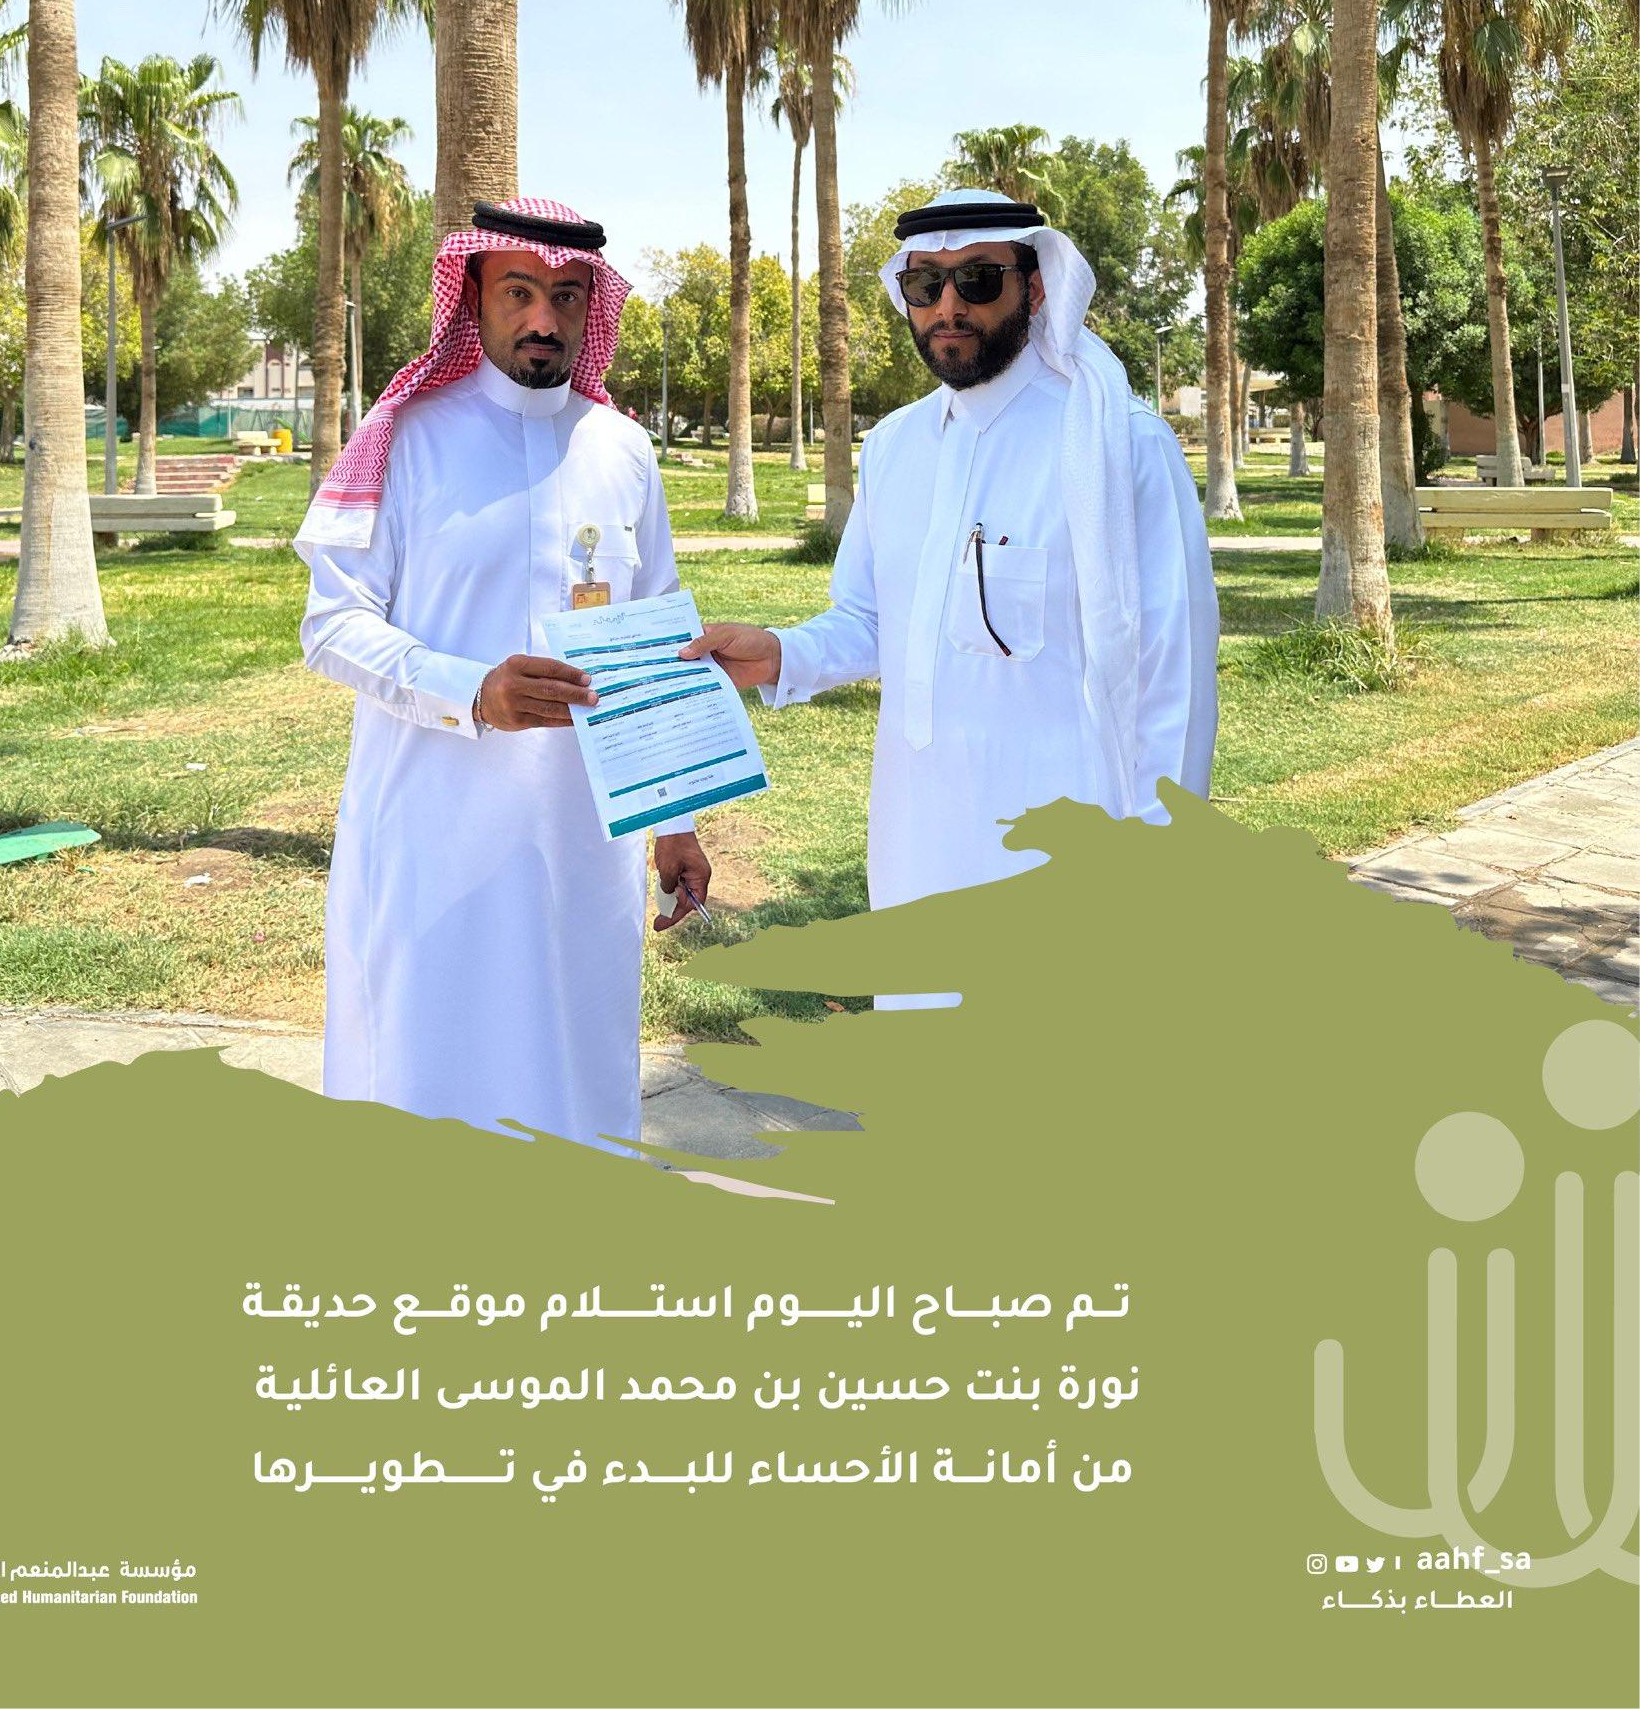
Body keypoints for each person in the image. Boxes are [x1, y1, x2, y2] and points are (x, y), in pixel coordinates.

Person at [684, 187, 1217, 998]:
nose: (948, 307)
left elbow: (1172, 676)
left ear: (1035, 286)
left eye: (977, 279)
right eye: (925, 284)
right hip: (918, 845)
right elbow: (873, 619)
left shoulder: (1117, 445)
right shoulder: (895, 446)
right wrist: (782, 654)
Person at [297, 197, 711, 1149]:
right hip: (432, 828)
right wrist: (472, 691)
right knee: (426, 1064)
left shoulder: (623, 450)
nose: (543, 319)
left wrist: (677, 818)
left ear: (591, 309)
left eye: (567, 298)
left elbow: (657, 641)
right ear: (473, 297)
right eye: (519, 292)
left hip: (583, 841)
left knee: (576, 1061)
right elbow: (331, 627)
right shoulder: (410, 436)